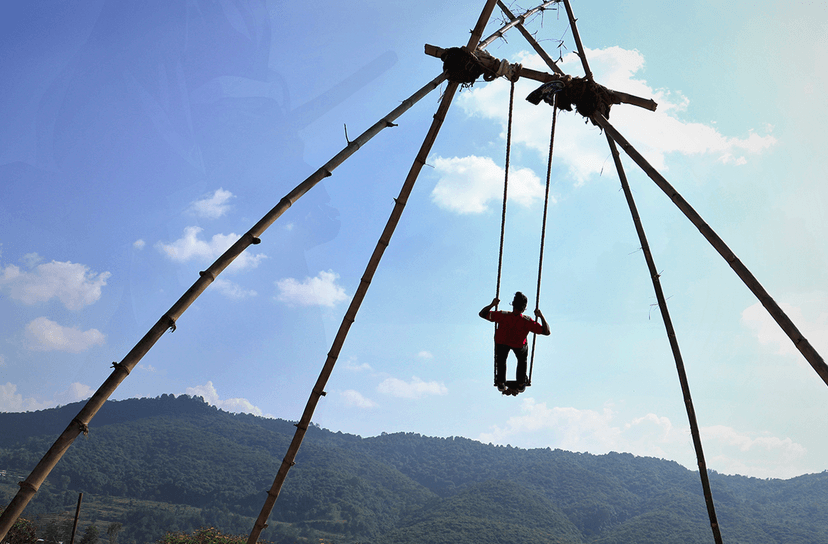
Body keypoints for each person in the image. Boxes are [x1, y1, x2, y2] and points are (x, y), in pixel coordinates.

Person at [479, 292, 550, 395]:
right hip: (518, 345)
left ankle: (500, 381)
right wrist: (540, 316)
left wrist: (492, 304)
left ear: (512, 304)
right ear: (524, 308)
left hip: (501, 342)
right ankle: (521, 383)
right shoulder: (527, 321)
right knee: (522, 359)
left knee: (501, 359)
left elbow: (482, 314)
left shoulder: (502, 315)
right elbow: (546, 331)